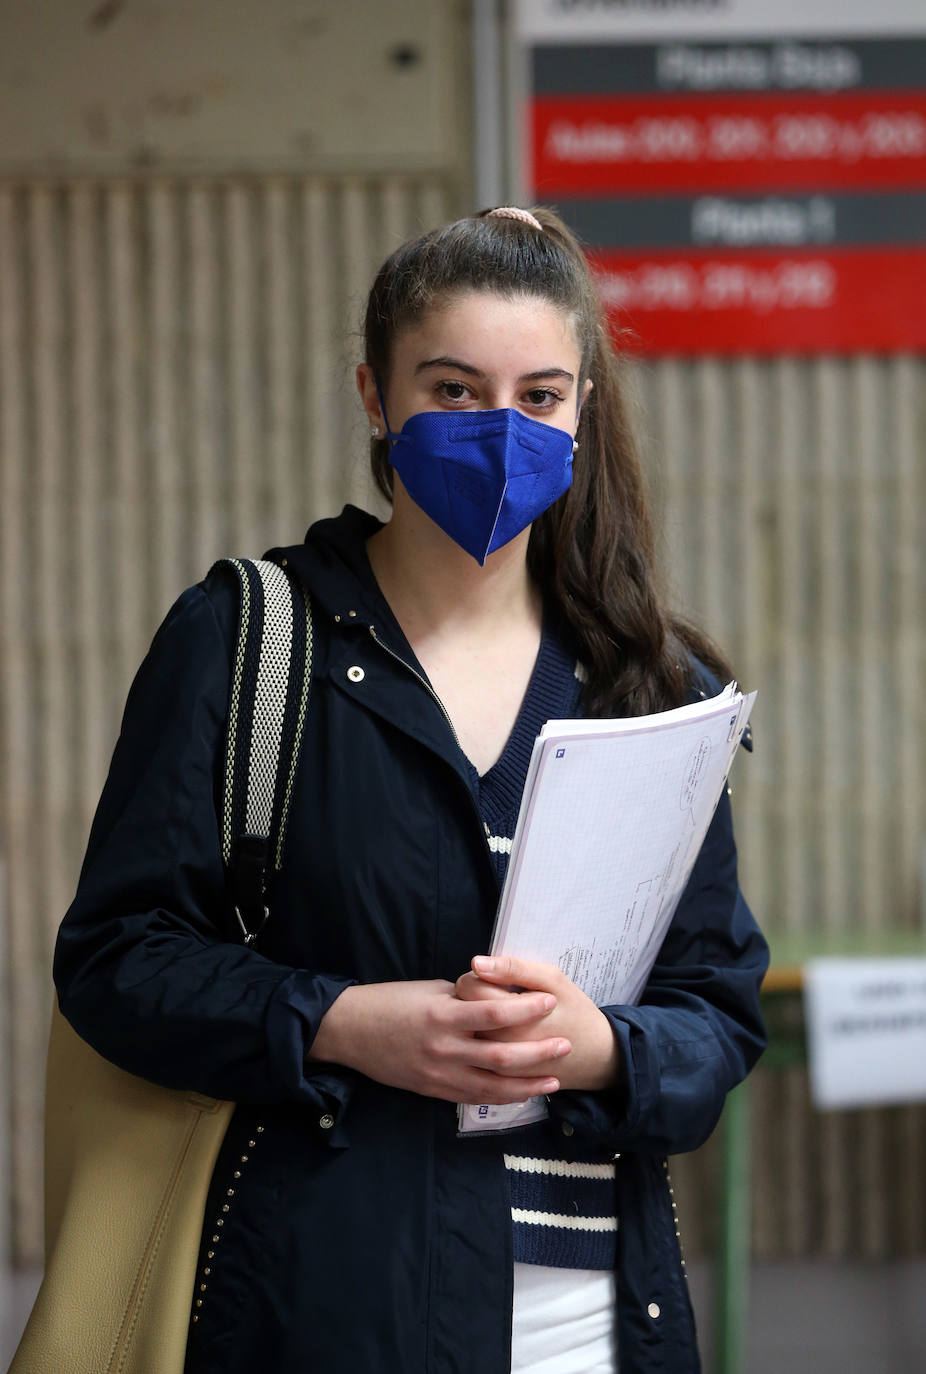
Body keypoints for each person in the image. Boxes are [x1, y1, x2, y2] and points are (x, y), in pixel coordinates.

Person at [53, 205, 768, 1374]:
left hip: (585, 1310)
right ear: (375, 399)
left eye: (538, 396)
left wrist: (599, 1047)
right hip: (323, 1298)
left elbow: (715, 1007)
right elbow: (117, 961)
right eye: (452, 389)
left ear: (581, 407)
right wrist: (342, 1023)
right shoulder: (246, 640)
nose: (499, 429)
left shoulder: (651, 685)